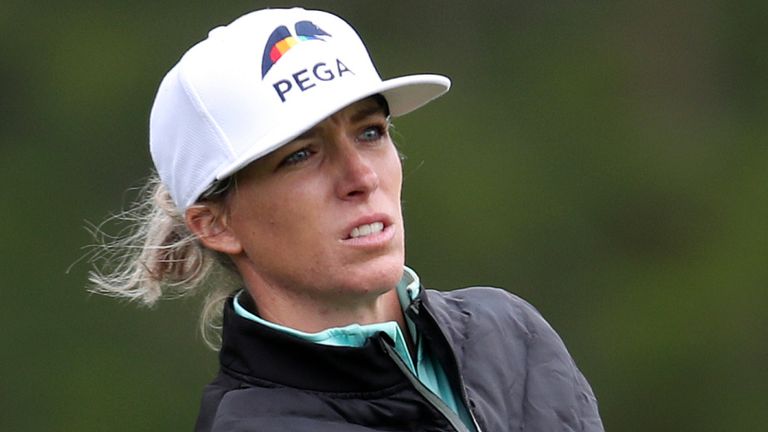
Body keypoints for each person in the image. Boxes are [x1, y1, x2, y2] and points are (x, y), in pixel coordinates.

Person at [90, 7, 604, 432]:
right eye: (300, 156)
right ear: (215, 225)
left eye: (371, 132)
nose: (360, 176)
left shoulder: (509, 333)